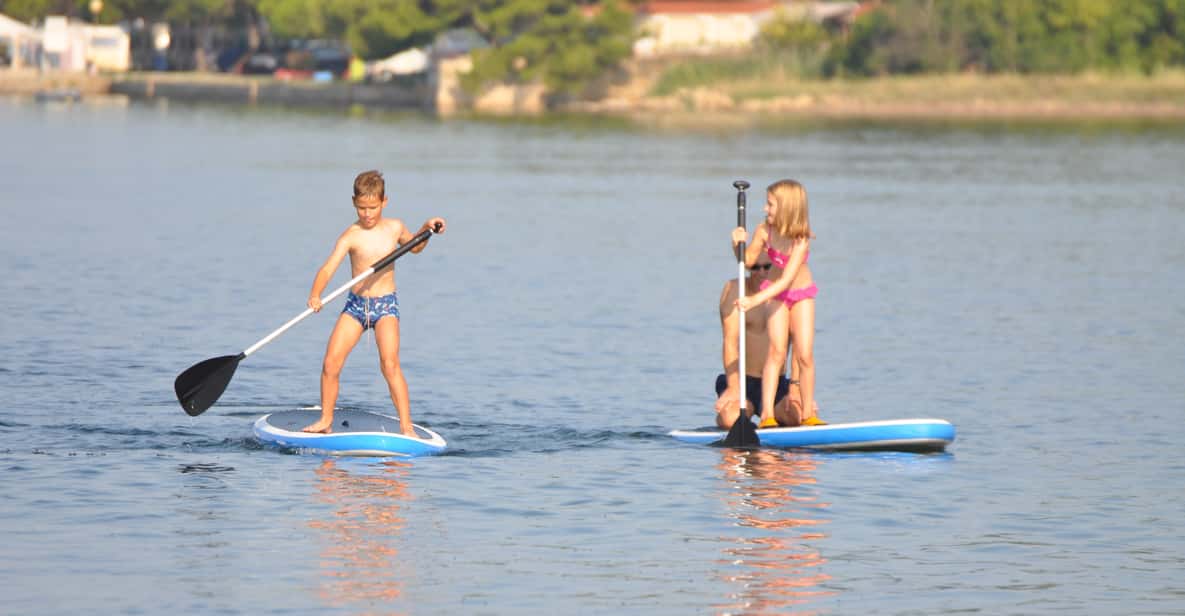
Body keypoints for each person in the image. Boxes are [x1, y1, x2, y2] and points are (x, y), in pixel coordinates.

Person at [301, 170, 446, 435]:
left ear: (384, 202)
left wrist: (427, 227)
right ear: (354, 202)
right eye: (361, 208)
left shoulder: (394, 228)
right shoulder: (351, 236)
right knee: (330, 363)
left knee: (389, 364)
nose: (367, 214)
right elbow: (327, 268)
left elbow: (414, 247)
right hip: (356, 306)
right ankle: (325, 420)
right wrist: (315, 294)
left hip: (385, 306)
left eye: (373, 208)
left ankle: (406, 427)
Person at [731, 179, 823, 429]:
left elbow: (786, 280)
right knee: (777, 352)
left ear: (786, 208)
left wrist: (754, 300)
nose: (765, 209)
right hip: (774, 296)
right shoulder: (764, 230)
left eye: (770, 205)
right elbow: (748, 261)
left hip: (799, 293)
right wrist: (737, 243)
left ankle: (808, 415)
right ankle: (767, 416)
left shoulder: (801, 237)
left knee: (805, 355)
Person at [714, 253, 821, 429]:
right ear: (748, 268)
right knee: (730, 420)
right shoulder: (735, 289)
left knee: (799, 417)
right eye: (756, 267)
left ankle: (776, 424)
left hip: (777, 383)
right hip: (742, 381)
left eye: (767, 266)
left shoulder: (789, 292)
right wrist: (733, 387)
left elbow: (798, 347)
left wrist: (795, 387)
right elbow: (730, 342)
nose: (761, 271)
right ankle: (726, 421)